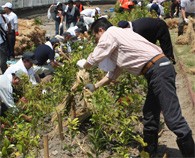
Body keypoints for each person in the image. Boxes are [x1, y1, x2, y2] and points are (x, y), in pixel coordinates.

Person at [76, 18, 195, 157]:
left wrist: (84, 65)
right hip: (156, 71)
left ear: (100, 30)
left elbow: (94, 58)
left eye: (95, 36)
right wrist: (95, 86)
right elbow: (112, 75)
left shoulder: (111, 33)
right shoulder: (120, 40)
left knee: (172, 118)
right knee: (149, 114)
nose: (96, 41)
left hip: (159, 70)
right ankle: (150, 152)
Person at [0, 6, 10, 74]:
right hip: (2, 41)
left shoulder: (3, 17)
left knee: (3, 61)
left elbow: (9, 23)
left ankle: (5, 74)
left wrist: (8, 32)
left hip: (2, 42)